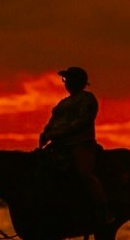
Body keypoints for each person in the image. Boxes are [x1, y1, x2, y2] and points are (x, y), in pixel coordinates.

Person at [40, 66, 111, 224]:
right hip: (58, 146)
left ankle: (102, 210)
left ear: (80, 82)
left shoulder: (87, 99)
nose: (67, 83)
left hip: (80, 145)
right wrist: (45, 133)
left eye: (70, 79)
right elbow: (53, 122)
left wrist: (60, 133)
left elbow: (83, 121)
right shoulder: (62, 104)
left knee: (84, 175)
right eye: (66, 80)